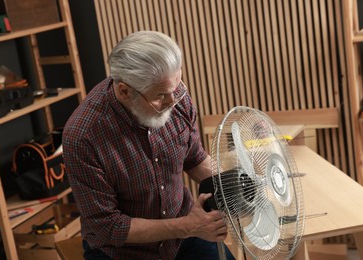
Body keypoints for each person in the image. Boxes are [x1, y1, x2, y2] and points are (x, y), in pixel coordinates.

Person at [62, 30, 234, 260]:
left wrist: (235, 187)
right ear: (124, 91)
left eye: (176, 87)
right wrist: (189, 226)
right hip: (121, 251)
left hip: (183, 235)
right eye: (161, 96)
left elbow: (194, 158)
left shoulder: (174, 95)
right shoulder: (83, 136)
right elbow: (109, 226)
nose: (173, 101)